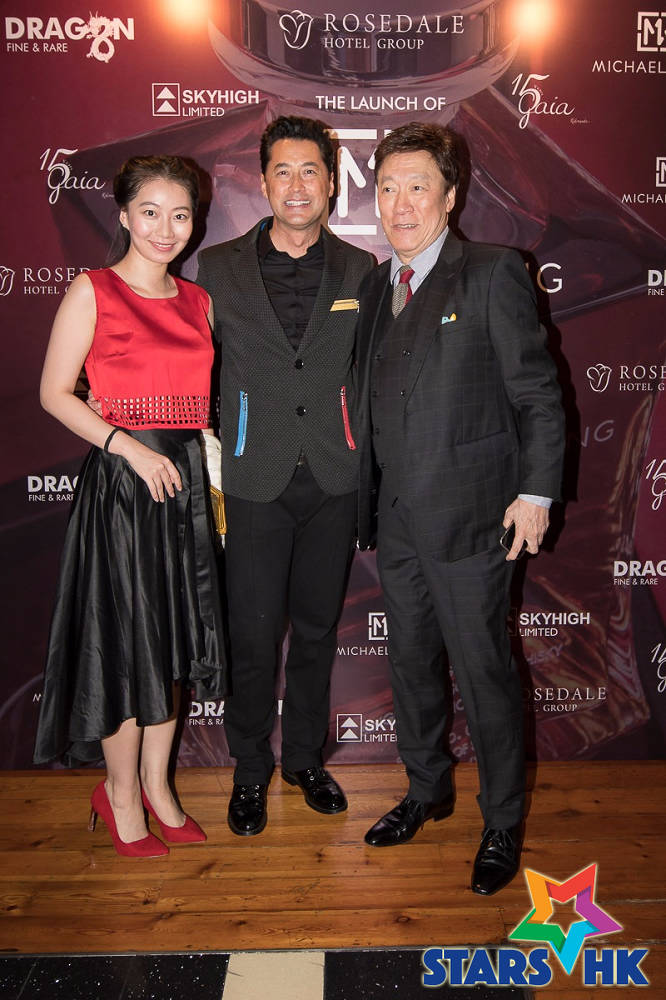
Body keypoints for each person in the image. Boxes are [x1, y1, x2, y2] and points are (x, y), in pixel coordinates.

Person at [355, 123, 565, 894]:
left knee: (484, 674)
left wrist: (535, 494)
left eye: (417, 187)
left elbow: (538, 395)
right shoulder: (374, 287)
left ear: (450, 196)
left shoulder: (491, 272)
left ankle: (502, 820)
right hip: (397, 521)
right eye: (387, 188)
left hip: (475, 520)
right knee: (410, 664)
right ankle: (426, 788)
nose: (400, 204)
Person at [33, 155, 226, 857]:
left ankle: (157, 787)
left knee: (169, 647)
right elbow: (55, 394)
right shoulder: (93, 290)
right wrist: (128, 449)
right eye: (150, 212)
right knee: (125, 647)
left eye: (180, 215)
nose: (165, 229)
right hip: (123, 491)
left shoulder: (199, 301)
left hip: (183, 492)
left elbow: (197, 409)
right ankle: (119, 796)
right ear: (122, 215)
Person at [197, 116, 374, 836]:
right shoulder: (216, 269)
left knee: (318, 630)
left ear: (331, 182)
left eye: (310, 171)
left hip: (333, 475)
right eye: (283, 172)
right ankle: (249, 768)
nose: (297, 185)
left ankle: (303, 759)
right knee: (253, 634)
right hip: (253, 476)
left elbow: (368, 373)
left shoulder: (362, 270)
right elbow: (193, 365)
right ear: (263, 182)